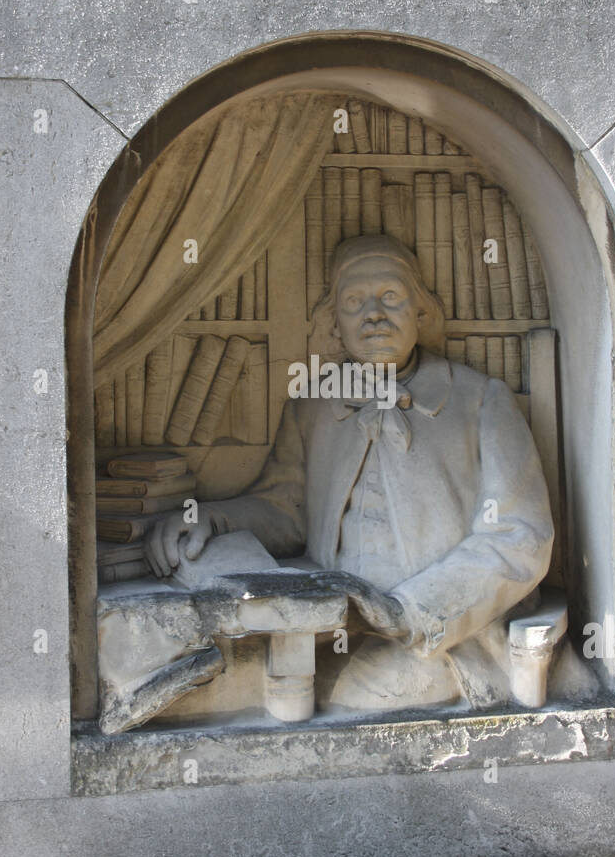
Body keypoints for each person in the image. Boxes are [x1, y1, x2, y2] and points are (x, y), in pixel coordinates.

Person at [145, 234, 555, 713]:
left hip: (438, 634)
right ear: (335, 324)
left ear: (420, 313)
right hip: (326, 621)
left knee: (338, 695)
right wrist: (211, 518)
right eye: (354, 302)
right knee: (194, 657)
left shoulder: (481, 401)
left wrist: (411, 611)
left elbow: (519, 535)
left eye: (391, 297)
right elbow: (287, 510)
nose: (373, 314)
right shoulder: (313, 405)